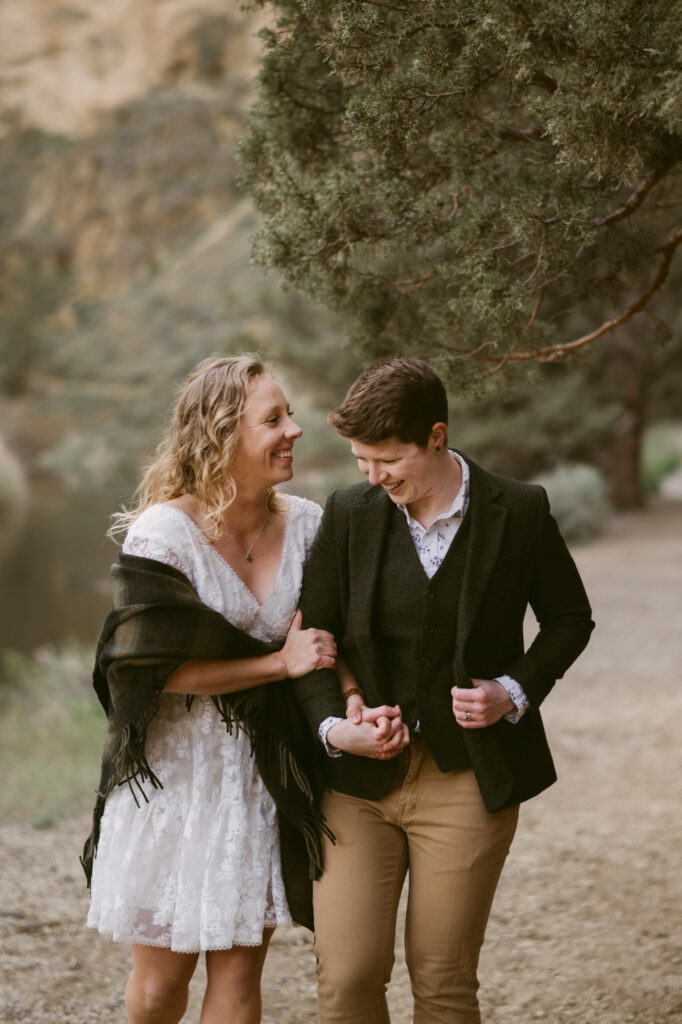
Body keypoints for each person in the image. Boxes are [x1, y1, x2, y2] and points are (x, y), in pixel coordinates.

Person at [293, 357, 595, 1024]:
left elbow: (570, 619)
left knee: (444, 982)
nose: (374, 476)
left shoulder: (518, 510)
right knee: (346, 980)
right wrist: (333, 728)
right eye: (362, 460)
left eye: (388, 459)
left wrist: (512, 690)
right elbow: (314, 637)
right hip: (358, 783)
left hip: (468, 777)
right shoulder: (348, 513)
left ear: (436, 435)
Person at [82, 354, 339, 1024]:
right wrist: (276, 666)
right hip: (173, 775)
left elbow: (333, 638)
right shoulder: (165, 532)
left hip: (262, 776)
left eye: (290, 415)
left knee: (240, 980)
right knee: (163, 985)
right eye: (275, 419)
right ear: (223, 436)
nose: (296, 430)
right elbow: (141, 669)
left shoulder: (309, 525)